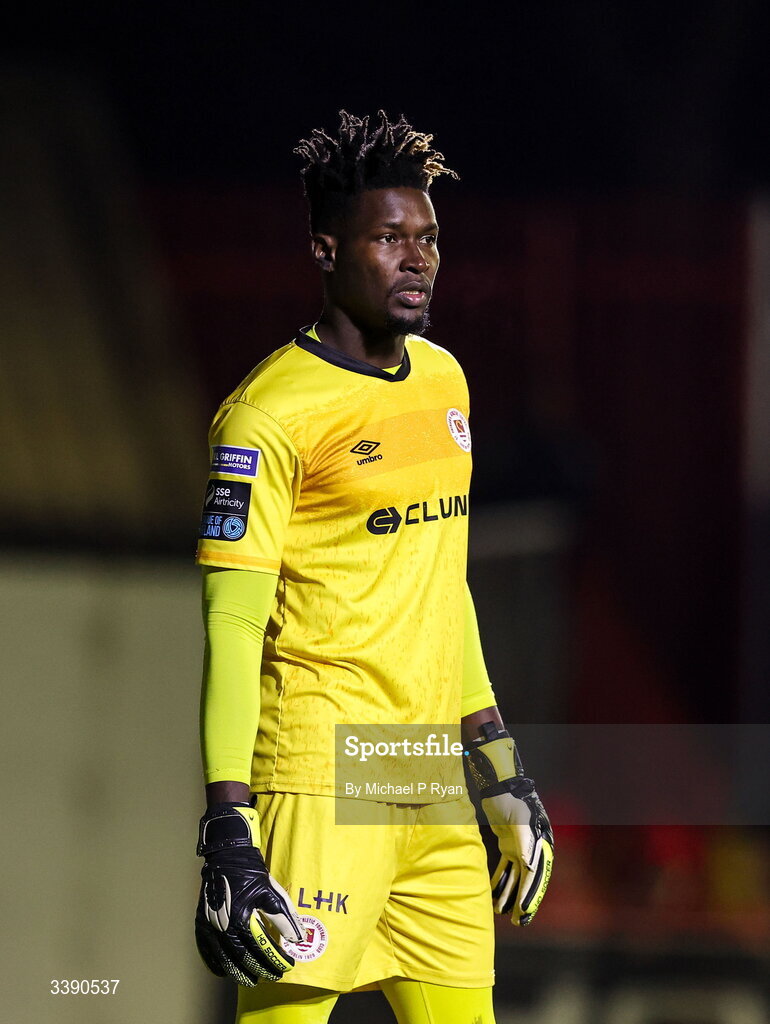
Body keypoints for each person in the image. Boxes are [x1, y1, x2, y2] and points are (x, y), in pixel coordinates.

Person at [194, 110, 554, 1024]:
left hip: (423, 775)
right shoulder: (266, 416)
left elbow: (441, 582)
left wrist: (498, 763)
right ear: (326, 249)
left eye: (427, 238)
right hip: (318, 772)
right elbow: (233, 626)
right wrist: (229, 823)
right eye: (388, 238)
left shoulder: (444, 382)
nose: (416, 258)